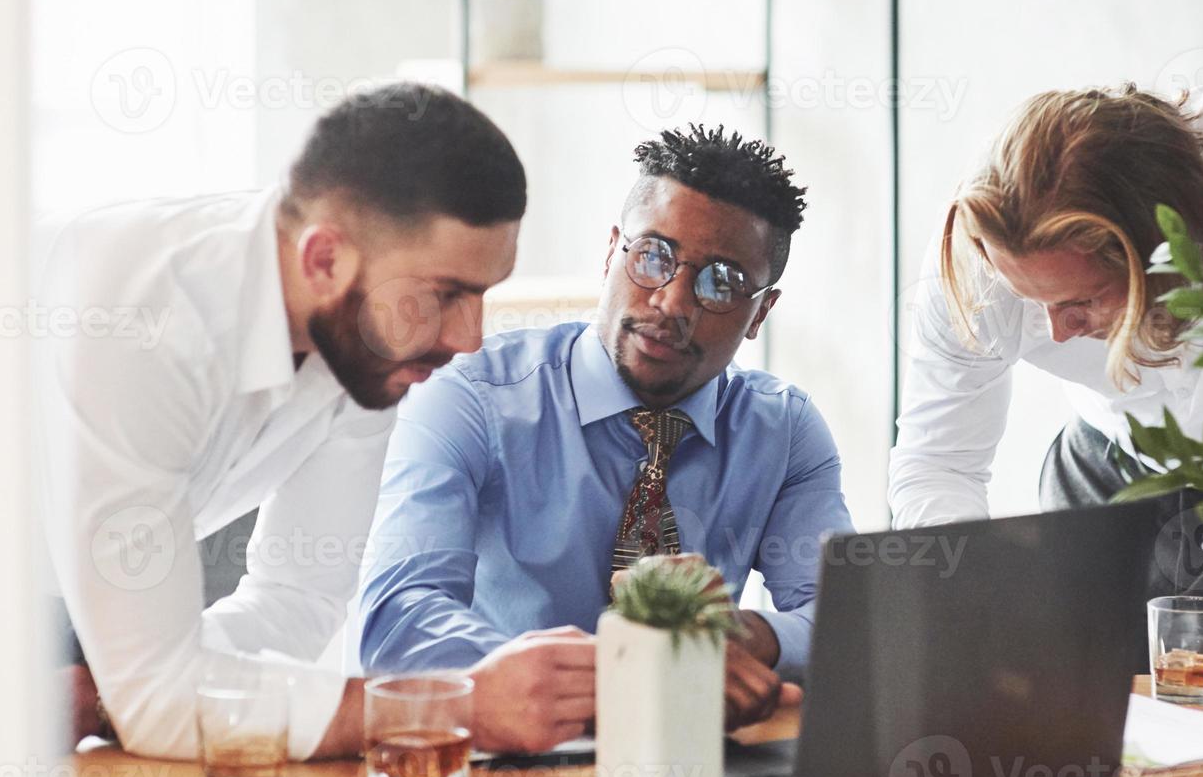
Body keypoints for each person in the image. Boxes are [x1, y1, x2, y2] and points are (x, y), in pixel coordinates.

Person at [40, 83, 595, 760]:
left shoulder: (364, 347)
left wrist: (122, 694)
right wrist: (458, 706)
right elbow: (158, 701)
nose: (470, 338)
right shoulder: (142, 322)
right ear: (324, 259)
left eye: (482, 295)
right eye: (446, 293)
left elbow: (294, 605)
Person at [889, 79, 1203, 730]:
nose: (1058, 331)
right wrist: (965, 612)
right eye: (1033, 302)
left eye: (1082, 300)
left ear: (1161, 254)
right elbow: (939, 463)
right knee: (1086, 749)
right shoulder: (974, 253)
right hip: (1104, 480)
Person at [357, 125, 853, 740]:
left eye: (721, 282)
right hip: (504, 767)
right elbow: (396, 623)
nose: (672, 302)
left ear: (761, 314)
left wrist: (748, 636)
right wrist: (621, 675)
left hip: (690, 768)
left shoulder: (782, 430)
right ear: (611, 252)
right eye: (653, 256)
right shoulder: (468, 397)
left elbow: (844, 624)